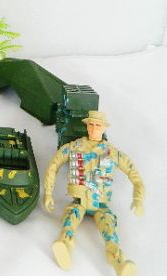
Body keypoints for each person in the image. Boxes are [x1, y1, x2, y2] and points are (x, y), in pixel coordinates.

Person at [43, 111, 144, 276]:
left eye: (98, 125)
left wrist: (138, 199)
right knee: (69, 220)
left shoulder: (112, 153)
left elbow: (135, 176)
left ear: (104, 128)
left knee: (109, 231)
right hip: (79, 201)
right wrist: (48, 193)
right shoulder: (74, 147)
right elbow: (54, 164)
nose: (94, 128)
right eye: (91, 124)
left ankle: (119, 261)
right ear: (86, 126)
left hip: (100, 205)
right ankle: (64, 245)